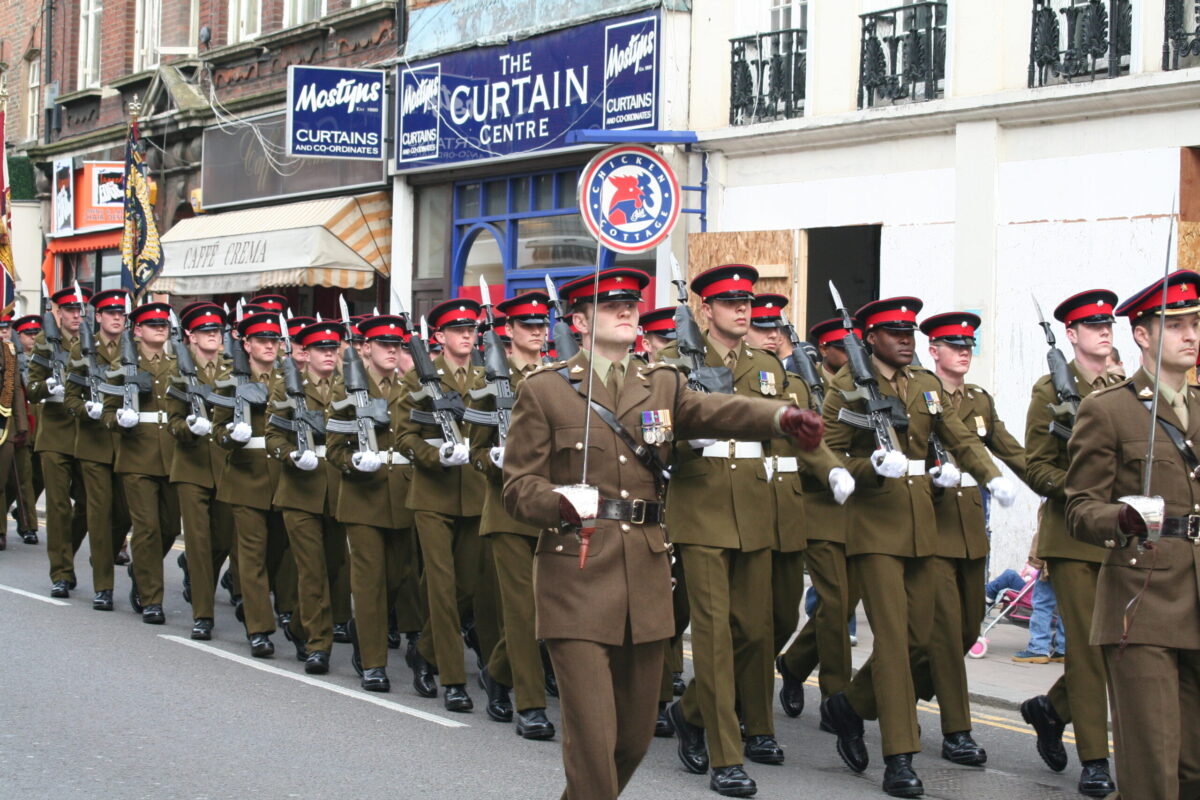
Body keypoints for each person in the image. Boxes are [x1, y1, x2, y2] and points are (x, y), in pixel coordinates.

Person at [502, 266, 827, 800]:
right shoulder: (546, 390)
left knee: (630, 740)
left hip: (647, 574)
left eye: (632, 301)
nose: (628, 309)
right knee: (592, 740)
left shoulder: (663, 383)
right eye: (612, 304)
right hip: (577, 574)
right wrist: (557, 500)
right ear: (580, 321)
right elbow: (516, 487)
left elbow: (718, 409)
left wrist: (780, 418)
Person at [661, 267, 848, 796]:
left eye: (746, 301)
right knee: (716, 637)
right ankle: (727, 756)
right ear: (706, 310)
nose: (742, 310)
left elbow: (798, 422)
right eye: (729, 302)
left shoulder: (767, 364)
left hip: (757, 509)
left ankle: (690, 712)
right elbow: (651, 432)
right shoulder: (672, 365)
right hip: (701, 509)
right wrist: (682, 443)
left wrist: (830, 465)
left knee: (756, 631)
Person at [819, 296, 1015, 797]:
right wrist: (865, 469)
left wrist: (988, 476)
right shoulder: (847, 386)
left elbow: (963, 439)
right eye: (895, 333)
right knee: (895, 640)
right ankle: (899, 757)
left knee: (923, 639)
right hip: (875, 528)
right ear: (870, 339)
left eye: (909, 333)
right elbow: (825, 451)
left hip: (923, 527)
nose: (906, 340)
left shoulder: (927, 386)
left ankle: (849, 705)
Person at [1067, 268, 1200, 800]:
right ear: (1142, 335)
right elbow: (1079, 509)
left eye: (1195, 323)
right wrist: (1121, 518)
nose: (1191, 334)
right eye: (1176, 325)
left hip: (1196, 597)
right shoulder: (1110, 409)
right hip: (1142, 599)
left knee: (1193, 770)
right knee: (1152, 770)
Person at [911, 310, 1027, 766]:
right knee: (942, 635)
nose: (964, 351)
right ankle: (958, 731)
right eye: (954, 345)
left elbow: (1009, 448)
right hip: (933, 529)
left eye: (968, 345)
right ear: (933, 350)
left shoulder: (979, 400)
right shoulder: (918, 395)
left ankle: (865, 698)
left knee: (964, 630)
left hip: (973, 533)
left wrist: (1059, 483)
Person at [1019, 289, 1121, 797]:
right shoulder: (1050, 391)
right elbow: (1036, 465)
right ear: (1072, 335)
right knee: (1086, 648)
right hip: (1076, 536)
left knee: (1116, 648)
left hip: (1124, 536)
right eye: (1093, 324)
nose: (1105, 330)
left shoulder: (1127, 387)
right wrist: (1083, 490)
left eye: (1109, 322)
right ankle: (1096, 760)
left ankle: (1049, 709)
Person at [468, 291, 556, 738]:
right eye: (529, 326)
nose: (538, 332)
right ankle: (531, 705)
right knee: (523, 612)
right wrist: (495, 459)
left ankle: (497, 672)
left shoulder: (561, 375)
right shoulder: (491, 380)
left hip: (553, 508)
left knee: (548, 610)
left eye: (543, 324)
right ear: (510, 331)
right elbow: (474, 450)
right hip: (507, 511)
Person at [397, 300, 489, 711]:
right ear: (440, 337)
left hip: (475, 492)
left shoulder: (488, 377)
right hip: (433, 494)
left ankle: (424, 650)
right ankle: (452, 679)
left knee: (466, 587)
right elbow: (404, 438)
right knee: (441, 586)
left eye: (471, 328)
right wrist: (436, 457)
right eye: (458, 330)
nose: (467, 335)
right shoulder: (420, 377)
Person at [326, 315, 420, 693]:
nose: (393, 351)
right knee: (369, 583)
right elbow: (334, 448)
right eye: (384, 345)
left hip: (403, 495)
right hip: (363, 498)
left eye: (397, 345)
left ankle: (360, 630)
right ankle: (373, 663)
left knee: (397, 580)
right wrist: (353, 462)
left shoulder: (410, 386)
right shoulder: (347, 387)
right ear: (365, 347)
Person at [778, 317, 862, 719]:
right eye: (842, 351)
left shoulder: (864, 386)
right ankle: (836, 696)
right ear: (825, 352)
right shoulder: (799, 386)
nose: (849, 359)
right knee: (835, 600)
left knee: (843, 602)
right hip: (818, 506)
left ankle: (794, 664)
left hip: (862, 511)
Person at [267, 320, 348, 675]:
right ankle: (319, 645)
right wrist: (291, 455)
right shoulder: (289, 388)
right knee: (311, 570)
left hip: (338, 489)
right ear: (306, 354)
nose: (329, 355)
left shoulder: (350, 388)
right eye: (321, 350)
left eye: (333, 350)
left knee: (332, 567)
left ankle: (299, 625)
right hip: (300, 491)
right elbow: (272, 436)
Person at [213, 311, 286, 656]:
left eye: (273, 340)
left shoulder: (289, 379)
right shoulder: (231, 380)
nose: (269, 346)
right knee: (253, 557)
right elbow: (217, 430)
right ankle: (259, 628)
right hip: (246, 477)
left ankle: (262, 605)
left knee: (277, 555)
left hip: (284, 478)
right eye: (262, 340)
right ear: (247, 344)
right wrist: (232, 435)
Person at [106, 302, 182, 625]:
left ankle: (141, 569)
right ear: (137, 330)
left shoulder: (179, 362)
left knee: (168, 529)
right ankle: (152, 598)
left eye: (163, 324)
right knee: (147, 529)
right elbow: (107, 410)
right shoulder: (122, 362)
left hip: (174, 456)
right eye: (152, 324)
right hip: (137, 454)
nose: (160, 328)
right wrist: (119, 419)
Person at [166, 302, 236, 641]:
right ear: (191, 336)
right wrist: (189, 426)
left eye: (217, 332)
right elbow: (174, 421)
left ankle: (197, 576)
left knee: (223, 538)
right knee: (197, 541)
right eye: (207, 332)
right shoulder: (179, 370)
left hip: (224, 465)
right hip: (192, 466)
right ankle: (203, 615)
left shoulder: (233, 369)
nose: (214, 337)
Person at [64, 289, 134, 611]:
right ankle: (103, 586)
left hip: (125, 443)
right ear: (100, 317)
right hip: (93, 445)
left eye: (121, 314)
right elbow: (71, 398)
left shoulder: (133, 349)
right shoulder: (83, 349)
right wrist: (86, 410)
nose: (117, 318)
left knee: (123, 513)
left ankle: (99, 555)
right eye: (111, 313)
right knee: (98, 512)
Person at [27, 286, 90, 597]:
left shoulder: (91, 341)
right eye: (70, 310)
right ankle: (61, 572)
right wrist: (47, 386)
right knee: (57, 505)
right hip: (55, 432)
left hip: (88, 432)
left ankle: (69, 552)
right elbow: (32, 387)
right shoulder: (44, 342)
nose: (76, 315)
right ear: (59, 313)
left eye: (80, 310)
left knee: (90, 505)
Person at [10, 314, 43, 545]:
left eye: (36, 333)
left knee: (36, 476)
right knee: (20, 477)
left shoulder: (45, 357)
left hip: (43, 423)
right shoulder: (13, 359)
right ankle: (27, 523)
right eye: (28, 334)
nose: (33, 338)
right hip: (22, 419)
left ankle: (25, 517)